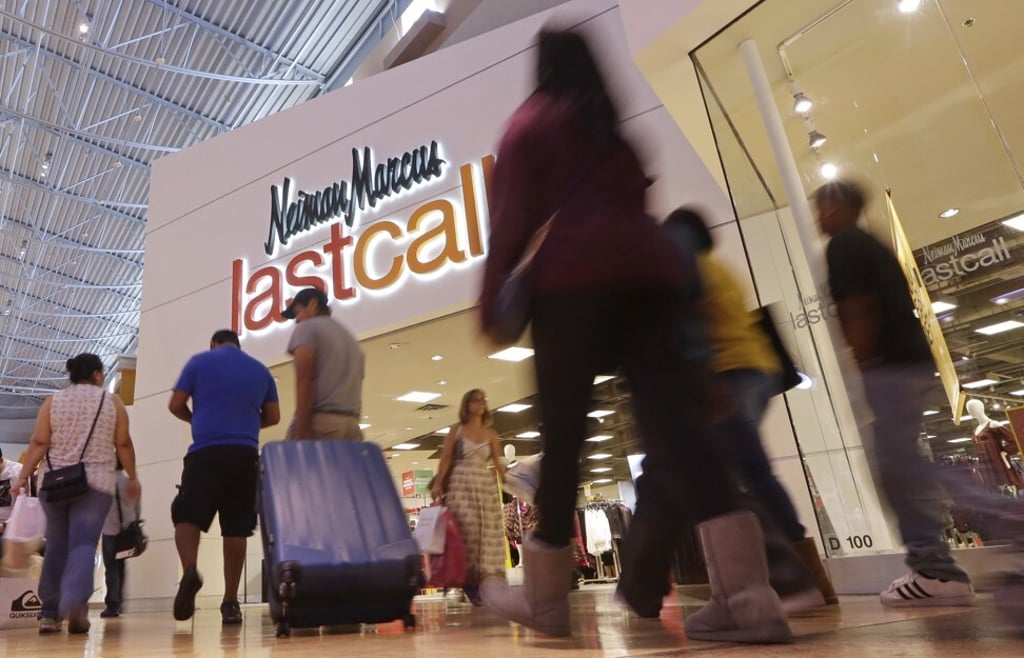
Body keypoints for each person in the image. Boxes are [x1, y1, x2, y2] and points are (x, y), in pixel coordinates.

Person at [477, 27, 790, 643]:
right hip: (652, 284)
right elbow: (642, 211)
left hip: (570, 286)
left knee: (564, 437)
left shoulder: (528, 124)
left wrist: (491, 303)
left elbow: (510, 218)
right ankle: (751, 600)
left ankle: (546, 603)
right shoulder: (611, 129)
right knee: (681, 434)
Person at [663, 207, 836, 609]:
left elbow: (697, 325)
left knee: (733, 478)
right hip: (757, 368)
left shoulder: (690, 267)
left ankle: (789, 581)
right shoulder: (720, 268)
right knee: (752, 473)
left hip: (730, 374)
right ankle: (807, 579)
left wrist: (706, 380)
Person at [813, 179, 975, 607]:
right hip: (911, 362)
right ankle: (941, 561)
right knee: (907, 465)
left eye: (821, 206)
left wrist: (863, 365)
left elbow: (857, 308)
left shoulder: (844, 245)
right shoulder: (872, 245)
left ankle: (936, 569)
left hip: (887, 366)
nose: (817, 216)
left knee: (897, 470)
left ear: (838, 206)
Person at [13, 353, 141, 635]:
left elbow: (39, 442)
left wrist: (22, 477)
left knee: (56, 544)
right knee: (83, 543)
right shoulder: (112, 403)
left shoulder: (53, 402)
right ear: (96, 374)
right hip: (95, 483)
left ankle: (49, 614)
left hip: (55, 484)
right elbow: (123, 443)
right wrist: (132, 476)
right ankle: (75, 603)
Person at [168, 329, 280, 624]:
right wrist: (246, 423)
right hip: (244, 455)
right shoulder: (260, 370)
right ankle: (230, 602)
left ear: (213, 344)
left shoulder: (198, 362)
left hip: (204, 453)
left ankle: (190, 570)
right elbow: (274, 416)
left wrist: (196, 418)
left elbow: (175, 404)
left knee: (186, 516)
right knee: (236, 528)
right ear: (238, 345)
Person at [431, 389, 507, 606]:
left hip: (484, 486)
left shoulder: (491, 434)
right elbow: (446, 458)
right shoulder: (456, 430)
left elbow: (498, 463)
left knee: (486, 533)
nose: (480, 403)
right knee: (467, 532)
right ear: (467, 404)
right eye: (475, 400)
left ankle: (486, 582)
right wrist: (438, 482)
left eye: (483, 399)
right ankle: (468, 582)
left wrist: (510, 479)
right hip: (461, 484)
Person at [281, 287, 365, 440]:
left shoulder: (307, 327)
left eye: (298, 313)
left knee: (294, 456)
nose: (297, 320)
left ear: (313, 304)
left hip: (321, 425)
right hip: (352, 427)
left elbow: (306, 378)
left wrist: (301, 431)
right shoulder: (350, 338)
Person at [99, 464, 139, 618]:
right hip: (127, 532)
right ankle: (120, 602)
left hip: (110, 530)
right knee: (121, 566)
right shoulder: (131, 483)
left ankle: (112, 604)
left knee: (111, 568)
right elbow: (137, 507)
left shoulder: (106, 483)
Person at [0, 446, 24, 539]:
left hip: (12, 526)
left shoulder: (18, 470)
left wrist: (5, 525)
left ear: (1, 460)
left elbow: (24, 507)